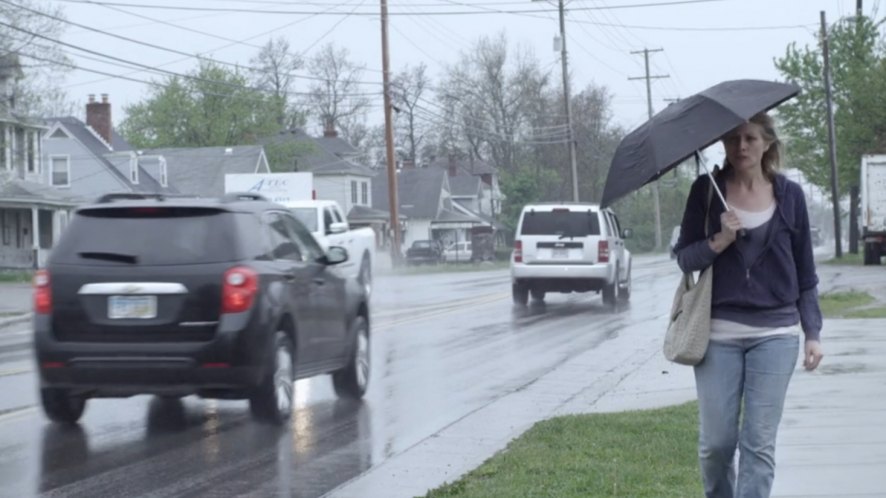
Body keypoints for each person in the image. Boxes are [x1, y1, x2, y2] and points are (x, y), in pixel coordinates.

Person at [673, 112, 824, 498]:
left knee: (758, 445)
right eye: (732, 139)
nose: (740, 146)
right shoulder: (706, 192)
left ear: (767, 143)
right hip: (717, 335)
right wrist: (720, 240)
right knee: (717, 444)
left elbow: (806, 273)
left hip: (776, 334)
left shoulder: (790, 196)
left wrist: (812, 332)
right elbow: (685, 258)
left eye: (750, 138)